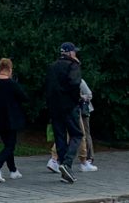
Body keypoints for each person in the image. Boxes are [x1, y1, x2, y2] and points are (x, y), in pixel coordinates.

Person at [45, 42, 83, 184]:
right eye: (74, 52)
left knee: (60, 137)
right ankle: (67, 163)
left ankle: (63, 169)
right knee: (77, 134)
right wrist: (76, 100)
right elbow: (74, 84)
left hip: (54, 107)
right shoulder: (73, 65)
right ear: (70, 52)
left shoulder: (52, 66)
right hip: (69, 106)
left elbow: (47, 88)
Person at [0, 58, 28, 183]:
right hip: (10, 118)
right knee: (10, 145)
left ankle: (13, 170)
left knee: (7, 144)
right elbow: (24, 97)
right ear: (9, 69)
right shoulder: (11, 83)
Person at [77, 77, 97, 172]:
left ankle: (89, 157)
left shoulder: (80, 81)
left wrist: (81, 97)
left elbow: (89, 94)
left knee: (85, 133)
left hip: (83, 110)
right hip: (75, 111)